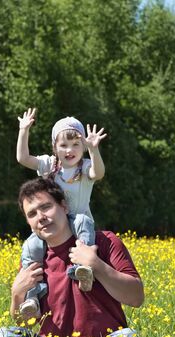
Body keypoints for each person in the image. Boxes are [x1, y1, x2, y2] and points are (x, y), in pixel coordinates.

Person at [0, 178, 144, 337]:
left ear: (64, 207)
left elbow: (136, 298)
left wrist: (95, 264)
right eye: (32, 214)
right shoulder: (33, 261)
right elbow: (27, 323)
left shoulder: (104, 241)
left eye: (46, 207)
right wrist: (16, 293)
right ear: (29, 223)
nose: (41, 217)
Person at [16, 108, 107, 319]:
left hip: (76, 223)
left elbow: (98, 173)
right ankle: (31, 297)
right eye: (63, 145)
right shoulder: (49, 164)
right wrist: (24, 130)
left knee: (84, 221)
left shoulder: (84, 166)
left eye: (76, 144)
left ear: (83, 146)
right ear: (54, 147)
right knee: (30, 245)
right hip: (51, 224)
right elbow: (23, 158)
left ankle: (82, 269)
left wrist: (94, 151)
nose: (69, 150)